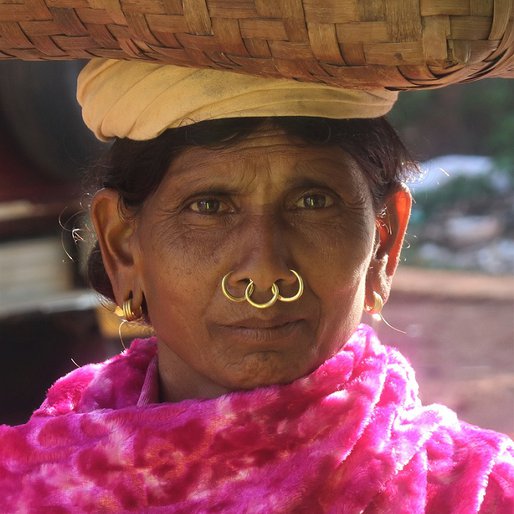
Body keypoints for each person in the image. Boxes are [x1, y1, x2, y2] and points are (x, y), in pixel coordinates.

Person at [0, 59, 512, 513]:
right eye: (210, 206)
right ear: (123, 247)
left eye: (313, 202)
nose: (266, 275)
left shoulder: (481, 491)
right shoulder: (26, 487)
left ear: (384, 243)